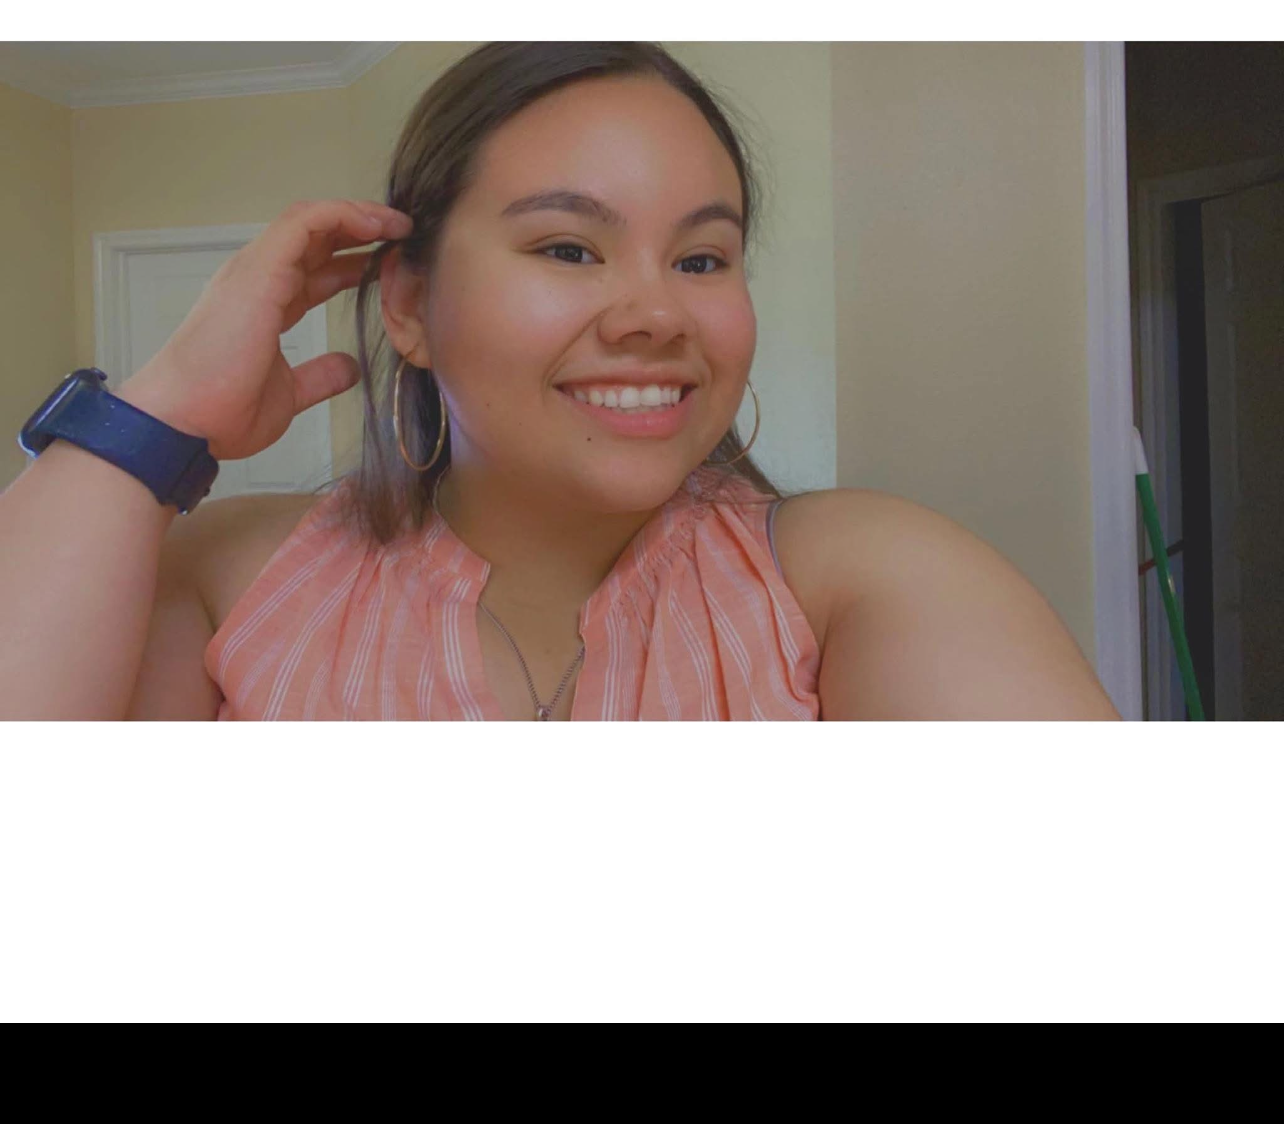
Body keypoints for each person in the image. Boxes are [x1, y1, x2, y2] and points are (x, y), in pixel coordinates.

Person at [0, 41, 1121, 721]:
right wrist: (156, 414)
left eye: (702, 260)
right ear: (408, 304)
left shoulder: (862, 577)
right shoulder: (227, 582)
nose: (658, 314)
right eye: (569, 248)